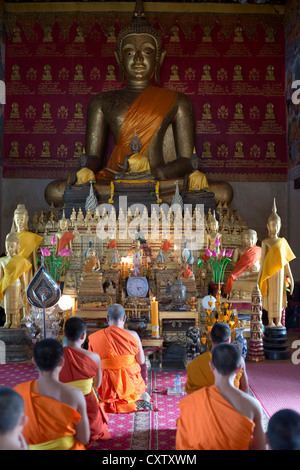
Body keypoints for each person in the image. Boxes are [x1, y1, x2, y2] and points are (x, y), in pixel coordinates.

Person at [85, 0, 194, 183]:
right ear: (118, 59)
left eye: (147, 52)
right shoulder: (101, 102)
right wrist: (84, 169)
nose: (137, 59)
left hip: (158, 180)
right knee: (55, 190)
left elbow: (188, 160)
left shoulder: (178, 101)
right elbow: (94, 157)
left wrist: (158, 174)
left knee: (222, 192)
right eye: (129, 52)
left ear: (159, 59)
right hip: (116, 179)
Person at [176, 343, 266, 450]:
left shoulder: (191, 403)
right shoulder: (252, 405)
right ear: (238, 369)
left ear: (211, 366)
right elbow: (261, 447)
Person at [14, 338, 90, 450]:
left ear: (34, 361)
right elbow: (84, 438)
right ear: (61, 361)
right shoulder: (75, 394)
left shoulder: (18, 393)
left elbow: (13, 436)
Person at [59, 317, 111, 446]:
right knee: (95, 429)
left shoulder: (56, 356)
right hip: (87, 403)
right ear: (83, 335)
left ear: (64, 334)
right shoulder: (93, 357)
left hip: (61, 403)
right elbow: (97, 385)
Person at [88, 303, 147, 413]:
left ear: (107, 318)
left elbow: (91, 364)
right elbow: (141, 361)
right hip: (131, 385)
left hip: (105, 387)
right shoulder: (133, 335)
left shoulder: (96, 337)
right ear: (125, 318)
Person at [257, 199, 296, 327]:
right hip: (269, 275)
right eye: (273, 225)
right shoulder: (265, 242)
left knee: (279, 297)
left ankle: (278, 321)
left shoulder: (282, 242)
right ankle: (269, 321)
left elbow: (285, 262)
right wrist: (259, 279)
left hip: (280, 274)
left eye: (277, 225)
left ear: (280, 226)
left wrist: (290, 277)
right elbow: (262, 262)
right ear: (268, 226)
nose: (275, 227)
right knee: (270, 297)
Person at [185, 322, 248, 394]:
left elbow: (191, 393)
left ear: (210, 337)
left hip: (203, 404)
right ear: (228, 340)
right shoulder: (239, 360)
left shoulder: (195, 364)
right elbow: (245, 391)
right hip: (231, 403)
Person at [0, 233, 32, 328]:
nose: (10, 249)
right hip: (6, 284)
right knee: (7, 302)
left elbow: (23, 276)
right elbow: (1, 276)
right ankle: (7, 321)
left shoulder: (20, 260)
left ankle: (15, 321)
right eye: (8, 247)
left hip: (16, 284)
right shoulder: (2, 260)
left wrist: (25, 287)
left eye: (12, 247)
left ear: (17, 247)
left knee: (15, 302)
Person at [224, 229, 261, 298]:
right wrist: (244, 266)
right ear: (242, 239)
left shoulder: (259, 250)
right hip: (243, 273)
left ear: (256, 240)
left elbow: (262, 263)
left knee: (261, 276)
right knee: (233, 276)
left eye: (252, 239)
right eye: (247, 239)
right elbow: (234, 263)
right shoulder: (238, 250)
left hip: (255, 273)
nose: (250, 241)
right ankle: (235, 294)